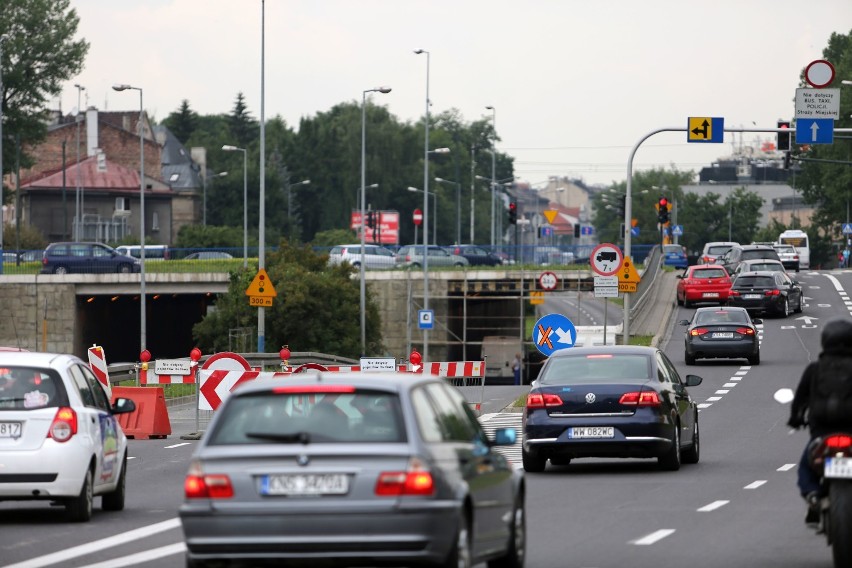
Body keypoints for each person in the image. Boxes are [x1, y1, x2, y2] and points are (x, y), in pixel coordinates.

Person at [788, 317, 852, 525]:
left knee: (806, 467)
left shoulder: (815, 369)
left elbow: (799, 399)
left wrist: (795, 419)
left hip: (822, 432)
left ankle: (813, 494)